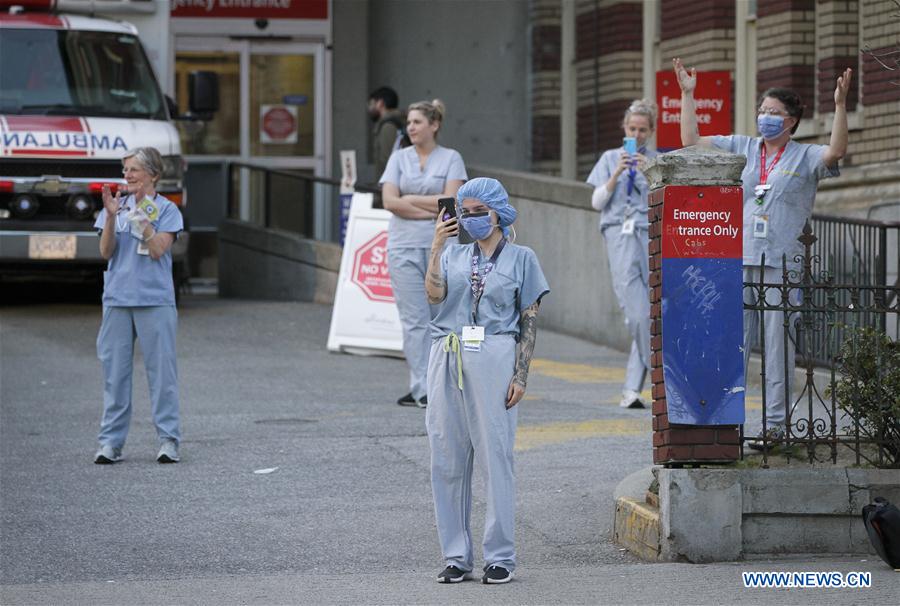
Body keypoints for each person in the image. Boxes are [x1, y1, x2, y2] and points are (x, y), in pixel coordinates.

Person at [674, 57, 851, 449]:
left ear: (791, 121)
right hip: (740, 259)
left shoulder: (805, 157)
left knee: (777, 348)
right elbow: (691, 140)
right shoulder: (743, 147)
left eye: (774, 112)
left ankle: (775, 428)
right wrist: (688, 94)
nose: (765, 117)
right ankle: (726, 424)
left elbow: (836, 151)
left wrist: (839, 106)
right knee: (733, 342)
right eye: (762, 111)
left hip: (783, 265)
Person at [424, 177, 549, 585]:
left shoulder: (522, 257)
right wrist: (436, 248)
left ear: (498, 211)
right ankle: (456, 555)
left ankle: (500, 555)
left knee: (497, 457)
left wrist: (521, 375)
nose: (472, 218)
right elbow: (434, 298)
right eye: (465, 212)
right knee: (446, 458)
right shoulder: (453, 255)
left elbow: (529, 318)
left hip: (495, 353)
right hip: (448, 350)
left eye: (480, 211)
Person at [93, 146, 184, 464]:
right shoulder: (113, 207)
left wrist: (142, 220)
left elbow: (159, 249)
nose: (127, 175)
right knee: (114, 375)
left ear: (153, 175)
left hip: (154, 301)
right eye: (125, 170)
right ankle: (110, 443)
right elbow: (106, 252)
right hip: (118, 300)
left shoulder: (168, 210)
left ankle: (169, 440)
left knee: (162, 375)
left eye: (133, 169)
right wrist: (111, 217)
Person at [380, 99, 467, 408]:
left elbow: (452, 202)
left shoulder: (451, 158)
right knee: (414, 319)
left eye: (417, 122)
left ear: (434, 125)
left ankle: (445, 381)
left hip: (443, 247)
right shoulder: (398, 158)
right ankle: (422, 386)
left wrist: (411, 199)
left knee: (441, 315)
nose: (411, 128)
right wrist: (428, 207)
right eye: (409, 123)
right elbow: (389, 201)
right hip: (402, 246)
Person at [586, 99, 658, 409]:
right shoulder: (609, 158)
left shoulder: (656, 161)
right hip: (619, 232)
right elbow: (597, 202)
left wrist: (647, 174)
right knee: (638, 312)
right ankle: (661, 376)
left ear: (651, 132)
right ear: (624, 129)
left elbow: (665, 200)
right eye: (632, 129)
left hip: (649, 233)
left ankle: (631, 388)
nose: (638, 135)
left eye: (643, 130)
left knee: (650, 310)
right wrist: (616, 174)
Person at [368, 86, 407, 179]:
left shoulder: (388, 127)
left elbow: (388, 162)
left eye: (371, 104)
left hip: (390, 188)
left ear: (380, 103)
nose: (369, 108)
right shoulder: (396, 123)